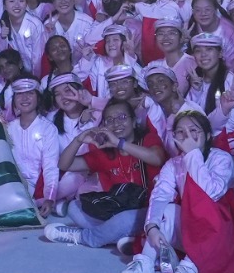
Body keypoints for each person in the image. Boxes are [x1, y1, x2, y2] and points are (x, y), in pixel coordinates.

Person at [116, 109, 234, 273]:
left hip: (225, 234)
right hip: (196, 228)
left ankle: (188, 268)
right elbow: (160, 196)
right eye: (180, 132)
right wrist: (152, 227)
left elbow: (210, 194)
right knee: (166, 210)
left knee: (213, 210)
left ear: (207, 136)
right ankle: (146, 263)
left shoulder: (222, 159)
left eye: (193, 131)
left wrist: (193, 155)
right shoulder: (173, 164)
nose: (187, 136)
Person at [44, 98, 166, 249]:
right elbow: (64, 165)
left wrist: (119, 143)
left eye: (122, 118)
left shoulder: (148, 139)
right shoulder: (104, 152)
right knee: (74, 208)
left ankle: (86, 237)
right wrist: (79, 139)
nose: (116, 124)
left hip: (148, 211)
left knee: (124, 220)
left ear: (134, 122)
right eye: (109, 120)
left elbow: (157, 158)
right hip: (116, 208)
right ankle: (126, 237)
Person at [4, 78, 59, 217]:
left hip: (38, 186)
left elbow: (50, 166)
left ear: (38, 98)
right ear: (14, 99)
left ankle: (45, 202)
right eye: (19, 94)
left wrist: (49, 198)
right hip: (15, 185)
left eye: (30, 93)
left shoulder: (48, 129)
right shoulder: (9, 128)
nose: (24, 98)